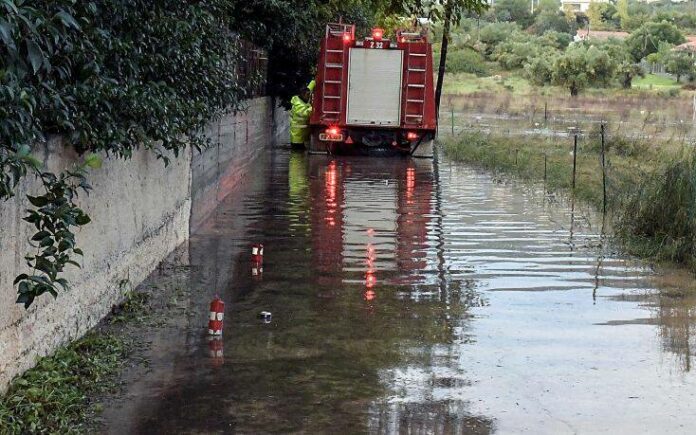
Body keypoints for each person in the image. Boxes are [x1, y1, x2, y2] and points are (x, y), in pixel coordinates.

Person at [289, 80, 315, 149]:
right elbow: (304, 113)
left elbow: (309, 89)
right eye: (307, 95)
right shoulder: (298, 105)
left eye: (309, 95)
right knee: (297, 153)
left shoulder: (302, 99)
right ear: (302, 95)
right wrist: (313, 108)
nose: (309, 97)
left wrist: (314, 81)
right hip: (297, 138)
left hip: (301, 135)